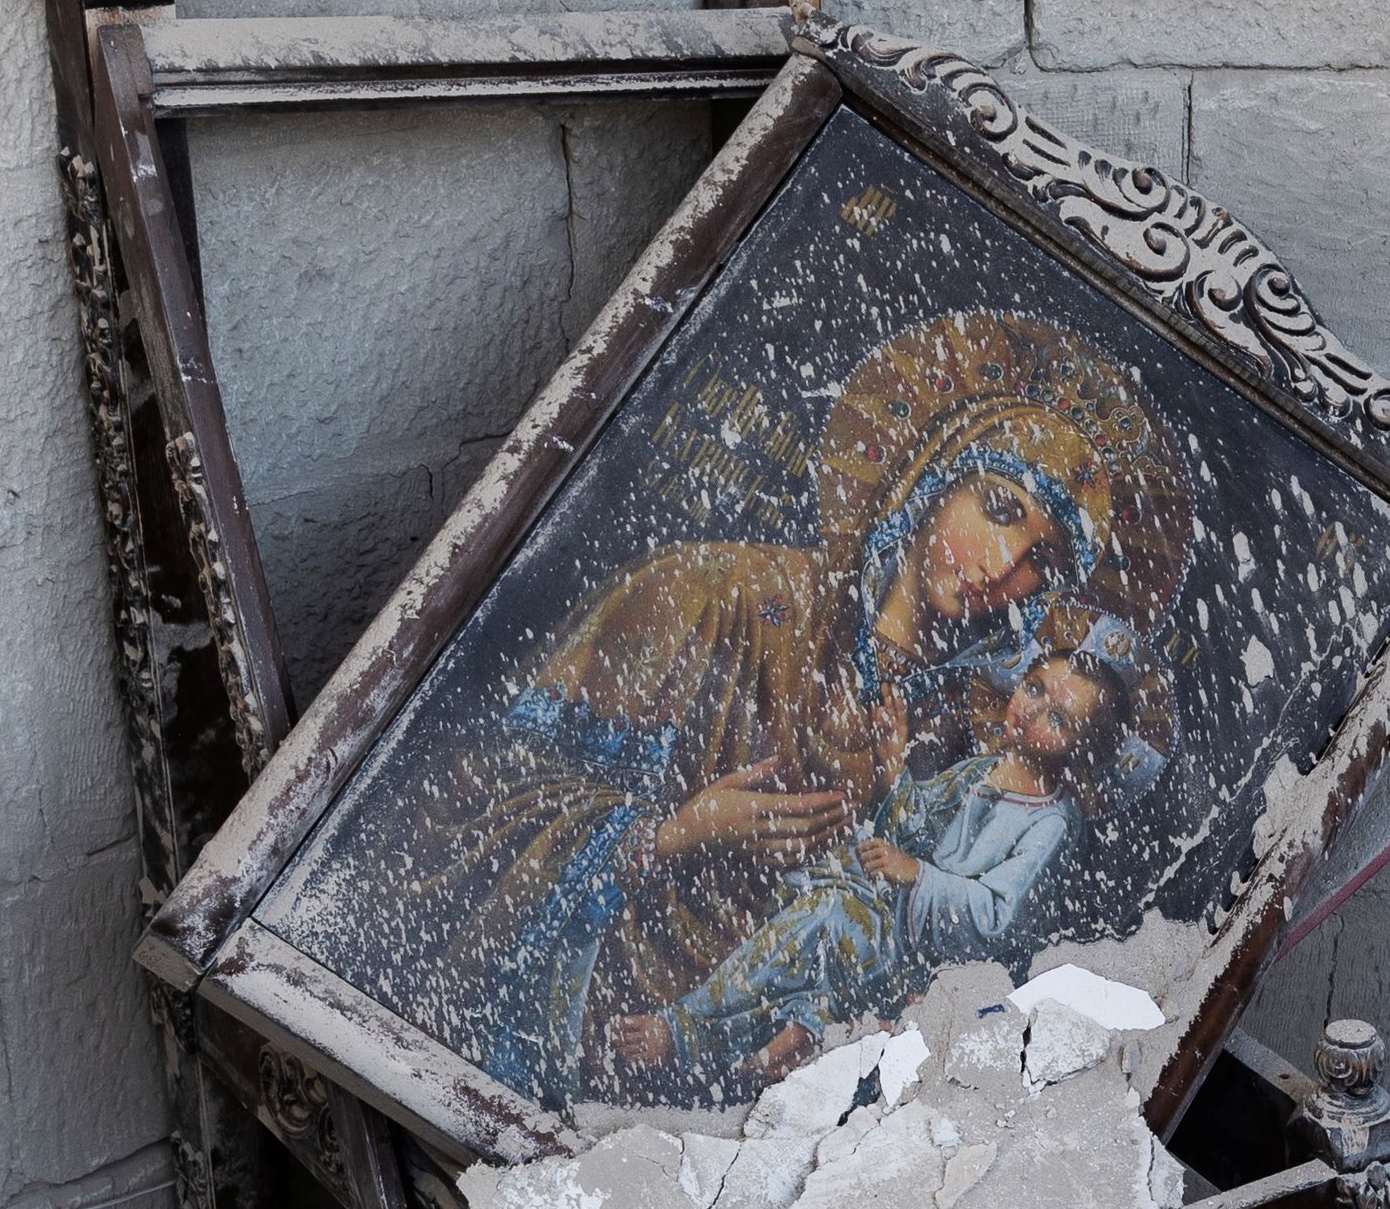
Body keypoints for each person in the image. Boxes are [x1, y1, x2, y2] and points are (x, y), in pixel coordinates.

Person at [306, 310, 1189, 1110]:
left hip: (768, 1087)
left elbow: (922, 923)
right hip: (591, 1034)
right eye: (1000, 511)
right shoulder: (714, 593)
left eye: (1042, 560)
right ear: (932, 476)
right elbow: (462, 805)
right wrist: (674, 834)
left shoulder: (972, 729)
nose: (1005, 570)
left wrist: (867, 1015)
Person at [612, 614, 1155, 1084]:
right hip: (894, 919)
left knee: (827, 919)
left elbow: (999, 918)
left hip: (928, 957)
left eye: (1058, 719)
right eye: (1035, 688)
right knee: (818, 903)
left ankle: (683, 1031)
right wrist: (896, 764)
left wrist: (918, 875)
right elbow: (912, 832)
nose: (1033, 712)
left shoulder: (1053, 825)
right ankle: (787, 1033)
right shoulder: (985, 769)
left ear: (1084, 752)